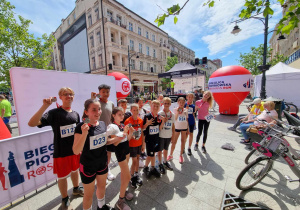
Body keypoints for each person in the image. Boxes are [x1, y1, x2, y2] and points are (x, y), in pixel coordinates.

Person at [28, 87, 83, 210]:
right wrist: (44, 106)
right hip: (61, 153)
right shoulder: (54, 113)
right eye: (66, 94)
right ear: (61, 97)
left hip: (74, 151)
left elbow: (77, 133)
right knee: (62, 177)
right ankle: (64, 198)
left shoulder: (76, 114)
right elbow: (32, 123)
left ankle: (76, 189)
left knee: (75, 171)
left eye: (71, 94)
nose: (69, 96)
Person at [73, 99, 120, 210]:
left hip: (102, 163)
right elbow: (75, 150)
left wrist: (118, 138)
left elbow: (105, 142)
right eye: (94, 109)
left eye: (99, 109)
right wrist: (84, 133)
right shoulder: (81, 127)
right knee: (88, 195)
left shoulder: (103, 124)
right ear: (86, 112)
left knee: (102, 187)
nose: (98, 112)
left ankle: (101, 206)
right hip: (88, 166)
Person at [108, 107, 135, 210]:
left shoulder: (122, 125)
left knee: (124, 174)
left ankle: (123, 191)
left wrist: (130, 132)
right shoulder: (112, 126)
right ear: (113, 115)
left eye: (123, 114)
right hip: (120, 153)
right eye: (119, 114)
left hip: (126, 150)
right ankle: (120, 201)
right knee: (127, 176)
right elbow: (116, 142)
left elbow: (126, 139)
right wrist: (124, 132)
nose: (122, 116)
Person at [92, 84, 115, 182]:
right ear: (99, 93)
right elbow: (88, 117)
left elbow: (113, 117)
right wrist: (92, 100)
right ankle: (100, 174)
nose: (105, 94)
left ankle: (107, 170)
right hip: (98, 132)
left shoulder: (111, 103)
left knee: (108, 153)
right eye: (103, 92)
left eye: (107, 92)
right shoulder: (96, 103)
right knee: (99, 154)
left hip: (109, 132)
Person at [142, 100, 166, 178]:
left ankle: (146, 167)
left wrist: (162, 122)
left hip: (156, 139)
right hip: (149, 140)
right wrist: (147, 124)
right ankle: (152, 168)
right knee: (151, 154)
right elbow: (142, 128)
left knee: (151, 154)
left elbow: (159, 128)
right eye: (154, 106)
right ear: (151, 106)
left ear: (159, 107)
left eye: (157, 106)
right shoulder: (147, 116)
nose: (155, 108)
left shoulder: (159, 117)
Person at [124, 104, 144, 188]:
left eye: (137, 110)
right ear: (131, 111)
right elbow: (126, 133)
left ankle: (136, 174)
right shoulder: (128, 121)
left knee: (138, 159)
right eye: (134, 110)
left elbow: (141, 132)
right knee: (134, 161)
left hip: (139, 143)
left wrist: (143, 144)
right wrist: (131, 135)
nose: (135, 111)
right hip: (132, 145)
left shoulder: (140, 120)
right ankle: (131, 176)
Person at [168, 97, 189, 164]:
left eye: (183, 102)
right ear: (178, 103)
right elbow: (175, 119)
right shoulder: (175, 109)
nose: (181, 104)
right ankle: (171, 155)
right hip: (177, 127)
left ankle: (181, 155)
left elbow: (187, 119)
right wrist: (177, 112)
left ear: (184, 103)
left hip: (184, 127)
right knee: (174, 142)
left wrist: (188, 128)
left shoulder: (186, 110)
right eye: (180, 102)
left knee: (183, 141)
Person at [158, 97, 175, 172]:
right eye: (165, 103)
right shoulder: (160, 114)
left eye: (168, 103)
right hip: (161, 135)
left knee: (166, 149)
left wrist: (173, 136)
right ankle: (160, 163)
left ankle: (165, 162)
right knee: (159, 150)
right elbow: (158, 127)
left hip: (168, 135)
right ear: (163, 104)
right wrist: (163, 121)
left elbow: (173, 126)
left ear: (170, 104)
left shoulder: (172, 114)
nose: (166, 105)